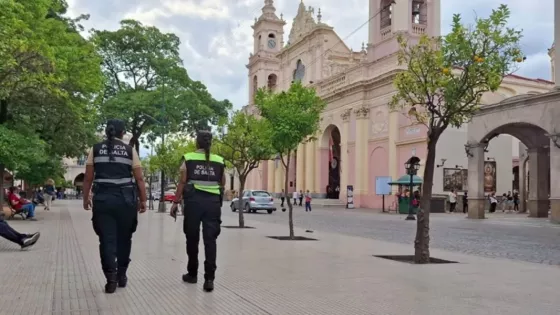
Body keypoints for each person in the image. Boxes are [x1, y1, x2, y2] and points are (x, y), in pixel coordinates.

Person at [82, 119, 147, 294]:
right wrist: (143, 200)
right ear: (122, 133)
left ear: (106, 131)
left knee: (106, 239)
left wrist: (85, 198)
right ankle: (122, 275)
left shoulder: (94, 149)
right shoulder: (129, 150)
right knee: (125, 238)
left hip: (103, 200)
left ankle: (110, 279)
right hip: (126, 201)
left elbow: (88, 178)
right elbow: (139, 178)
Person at [170, 130, 225, 292]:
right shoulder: (220, 161)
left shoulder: (188, 158)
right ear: (210, 143)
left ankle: (192, 274)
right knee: (210, 241)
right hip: (213, 205)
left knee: (192, 239)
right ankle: (209, 279)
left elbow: (182, 182)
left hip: (193, 203)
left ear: (197, 143)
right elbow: (222, 183)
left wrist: (175, 202)